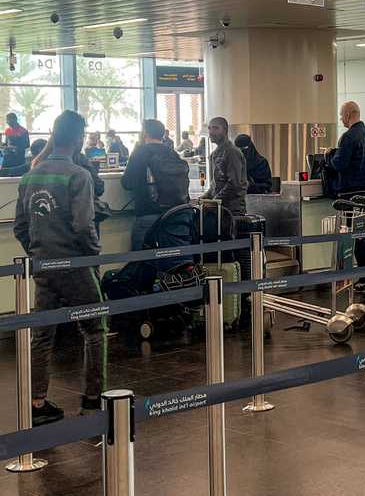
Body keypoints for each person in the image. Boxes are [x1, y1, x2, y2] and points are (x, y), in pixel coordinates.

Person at [14, 111, 106, 425]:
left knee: (42, 335)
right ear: (79, 139)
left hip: (43, 266)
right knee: (95, 330)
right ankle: (94, 400)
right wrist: (94, 254)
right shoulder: (78, 175)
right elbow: (83, 226)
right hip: (75, 266)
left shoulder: (31, 175)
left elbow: (20, 227)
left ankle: (37, 402)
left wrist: (39, 252)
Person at [328, 101, 365, 278]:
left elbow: (340, 164)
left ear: (348, 115)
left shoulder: (348, 137)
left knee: (358, 238)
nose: (341, 119)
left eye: (341, 115)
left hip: (352, 194)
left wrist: (329, 155)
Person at [122, 119, 190, 250]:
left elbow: (127, 183)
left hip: (148, 215)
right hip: (176, 214)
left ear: (145, 133)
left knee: (143, 262)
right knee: (172, 260)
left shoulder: (140, 152)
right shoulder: (172, 153)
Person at [201, 116, 248, 215]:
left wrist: (215, 201)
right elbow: (216, 183)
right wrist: (205, 197)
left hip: (232, 211)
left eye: (215, 128)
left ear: (225, 130)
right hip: (219, 209)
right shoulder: (215, 153)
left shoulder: (231, 152)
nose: (211, 132)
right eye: (209, 128)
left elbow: (234, 184)